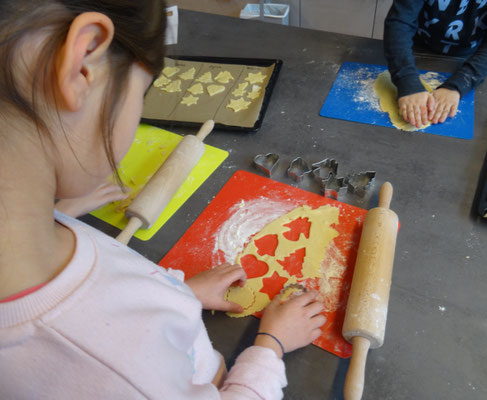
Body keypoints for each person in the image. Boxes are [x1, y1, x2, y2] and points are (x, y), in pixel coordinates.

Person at [0, 1, 326, 399]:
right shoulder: (116, 366)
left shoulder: (37, 230)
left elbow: (111, 301)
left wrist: (177, 296)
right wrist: (270, 346)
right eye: (143, 93)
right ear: (83, 64)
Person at [384, 0, 487, 128]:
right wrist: (406, 80)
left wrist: (460, 83)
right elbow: (399, 22)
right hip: (414, 47)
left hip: (472, 58)